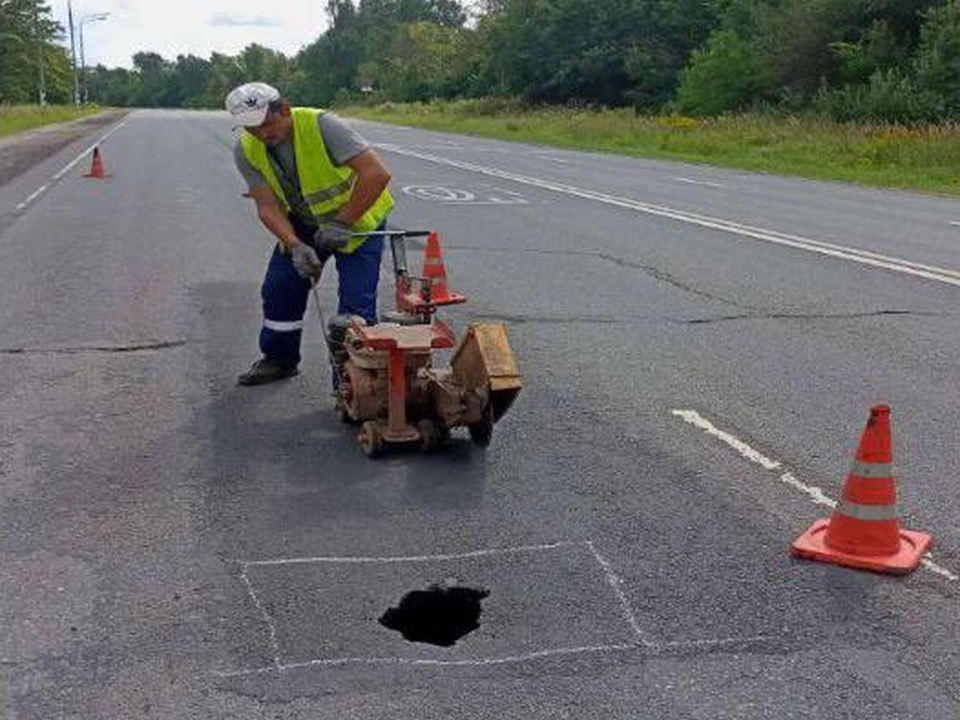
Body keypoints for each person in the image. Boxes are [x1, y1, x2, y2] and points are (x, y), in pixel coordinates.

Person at [225, 82, 393, 386]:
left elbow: (376, 174)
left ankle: (354, 382)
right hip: (303, 222)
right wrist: (294, 244)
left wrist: (343, 223)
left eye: (267, 123)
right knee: (280, 287)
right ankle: (280, 359)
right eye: (252, 129)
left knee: (355, 307)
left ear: (285, 110)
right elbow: (267, 205)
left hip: (358, 218)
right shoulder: (246, 149)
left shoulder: (322, 125)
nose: (263, 134)